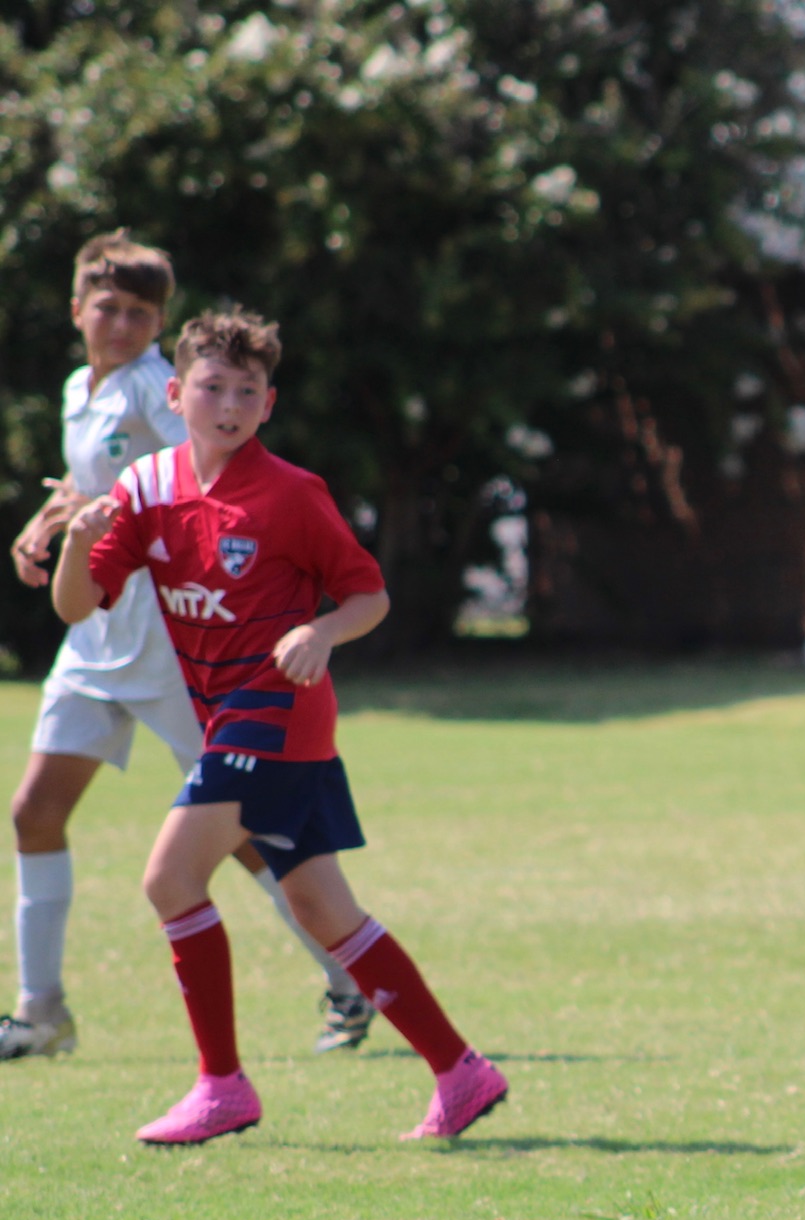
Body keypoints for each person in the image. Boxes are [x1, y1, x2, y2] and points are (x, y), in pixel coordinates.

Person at [50, 307, 506, 1145]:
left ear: (268, 406)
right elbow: (79, 607)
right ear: (177, 392)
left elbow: (368, 594)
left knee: (169, 879)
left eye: (246, 391)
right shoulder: (145, 489)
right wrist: (79, 545)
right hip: (231, 719)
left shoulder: (293, 494)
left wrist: (322, 631)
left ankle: (221, 1085)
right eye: (212, 387)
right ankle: (461, 1071)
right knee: (324, 909)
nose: (227, 404)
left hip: (277, 713)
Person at [0, 232, 372, 1063]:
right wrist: (49, 526)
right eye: (109, 306)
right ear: (77, 310)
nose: (123, 323)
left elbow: (200, 460)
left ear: (161, 324)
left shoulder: (154, 391)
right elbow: (89, 496)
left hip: (175, 648)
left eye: (142, 312)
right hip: (97, 642)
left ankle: (350, 983)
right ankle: (42, 1011)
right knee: (33, 813)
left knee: (245, 839)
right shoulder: (76, 390)